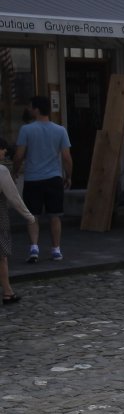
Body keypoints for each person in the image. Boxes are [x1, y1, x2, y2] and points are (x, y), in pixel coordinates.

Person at [14, 95, 71, 263]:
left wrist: (14, 171)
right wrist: (69, 176)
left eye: (30, 106)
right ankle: (56, 250)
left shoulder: (26, 130)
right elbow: (67, 157)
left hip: (33, 178)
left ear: (36, 109)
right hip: (54, 178)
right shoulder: (60, 130)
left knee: (32, 215)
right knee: (55, 215)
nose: (29, 109)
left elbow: (19, 155)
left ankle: (34, 248)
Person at [0, 135, 37, 304]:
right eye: (2, 149)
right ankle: (7, 293)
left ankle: (8, 291)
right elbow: (14, 197)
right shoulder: (1, 171)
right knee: (1, 257)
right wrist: (29, 216)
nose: (4, 152)